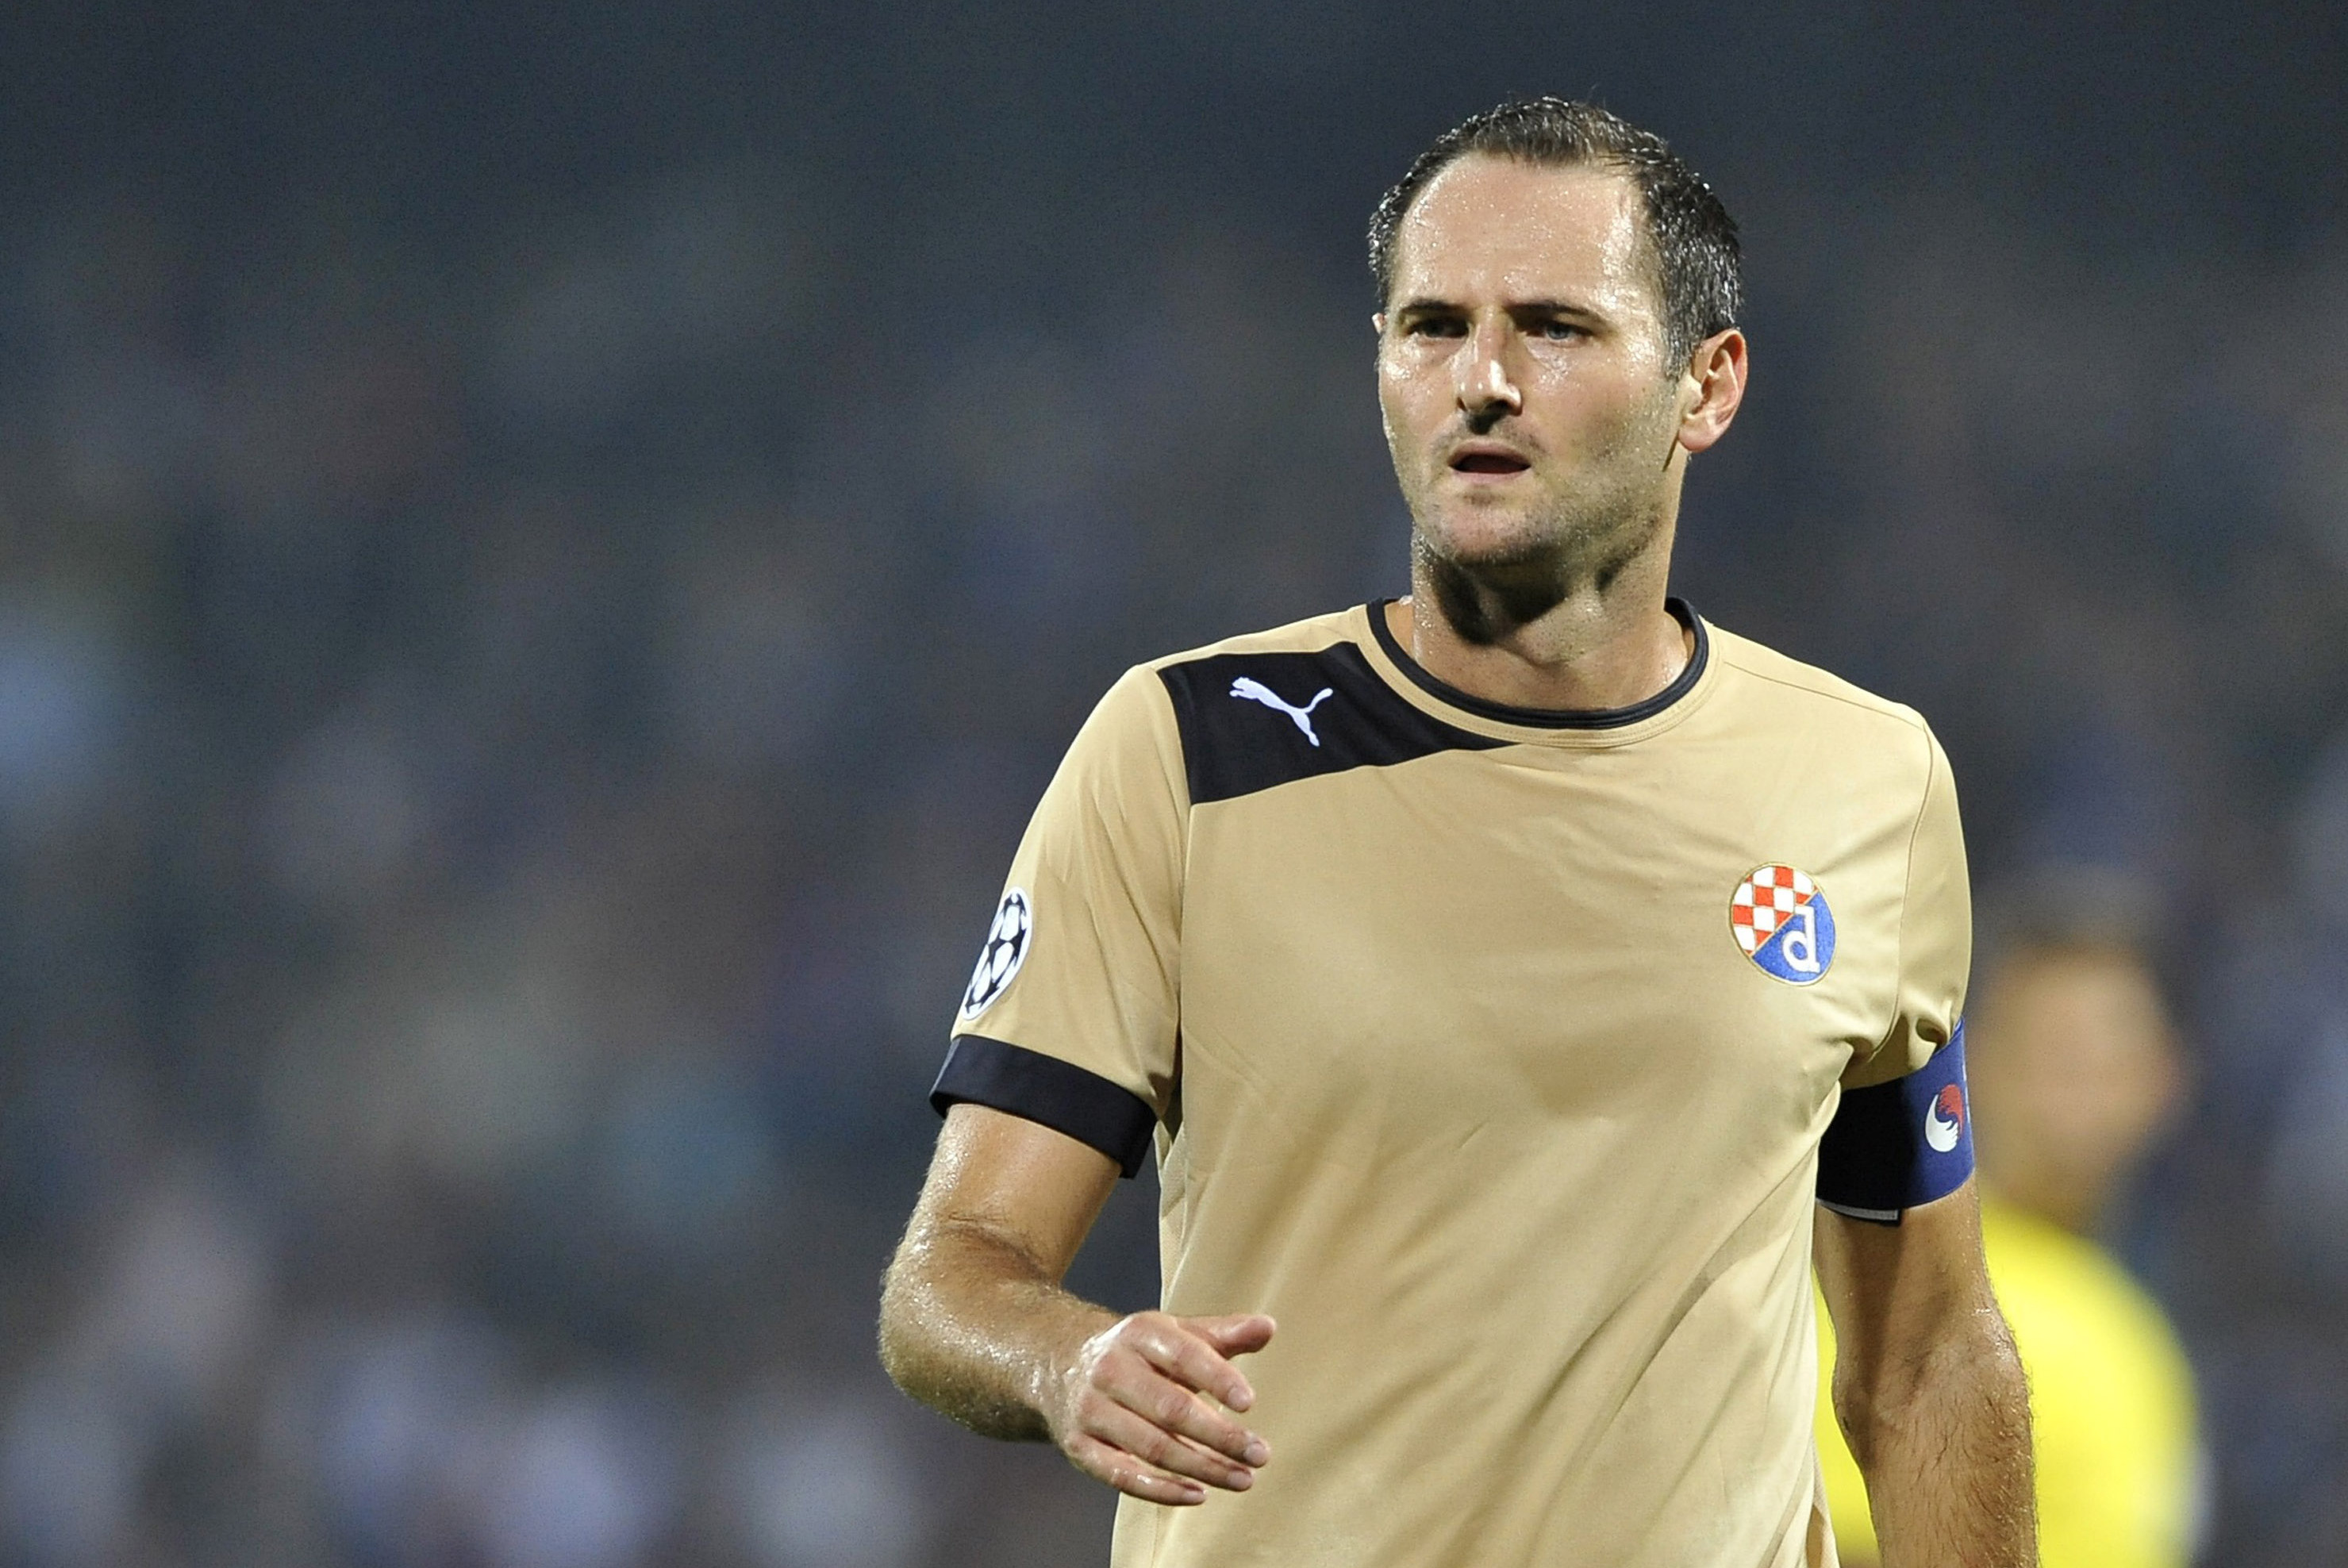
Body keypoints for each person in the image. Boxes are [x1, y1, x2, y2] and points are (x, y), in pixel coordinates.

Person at [878, 97, 2035, 1568]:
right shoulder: (1184, 752)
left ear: (1706, 385)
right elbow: (950, 1279)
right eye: (1429, 325)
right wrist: (1064, 1363)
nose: (1478, 381)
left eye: (1552, 327)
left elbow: (1924, 1355)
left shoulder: (1865, 781)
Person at [1816, 890, 2199, 1567]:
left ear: (2160, 1082)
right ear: (1970, 1062)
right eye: (2053, 1055)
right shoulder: (1883, 1268)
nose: (2075, 1097)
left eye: (2105, 1061)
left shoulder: (2130, 1338)